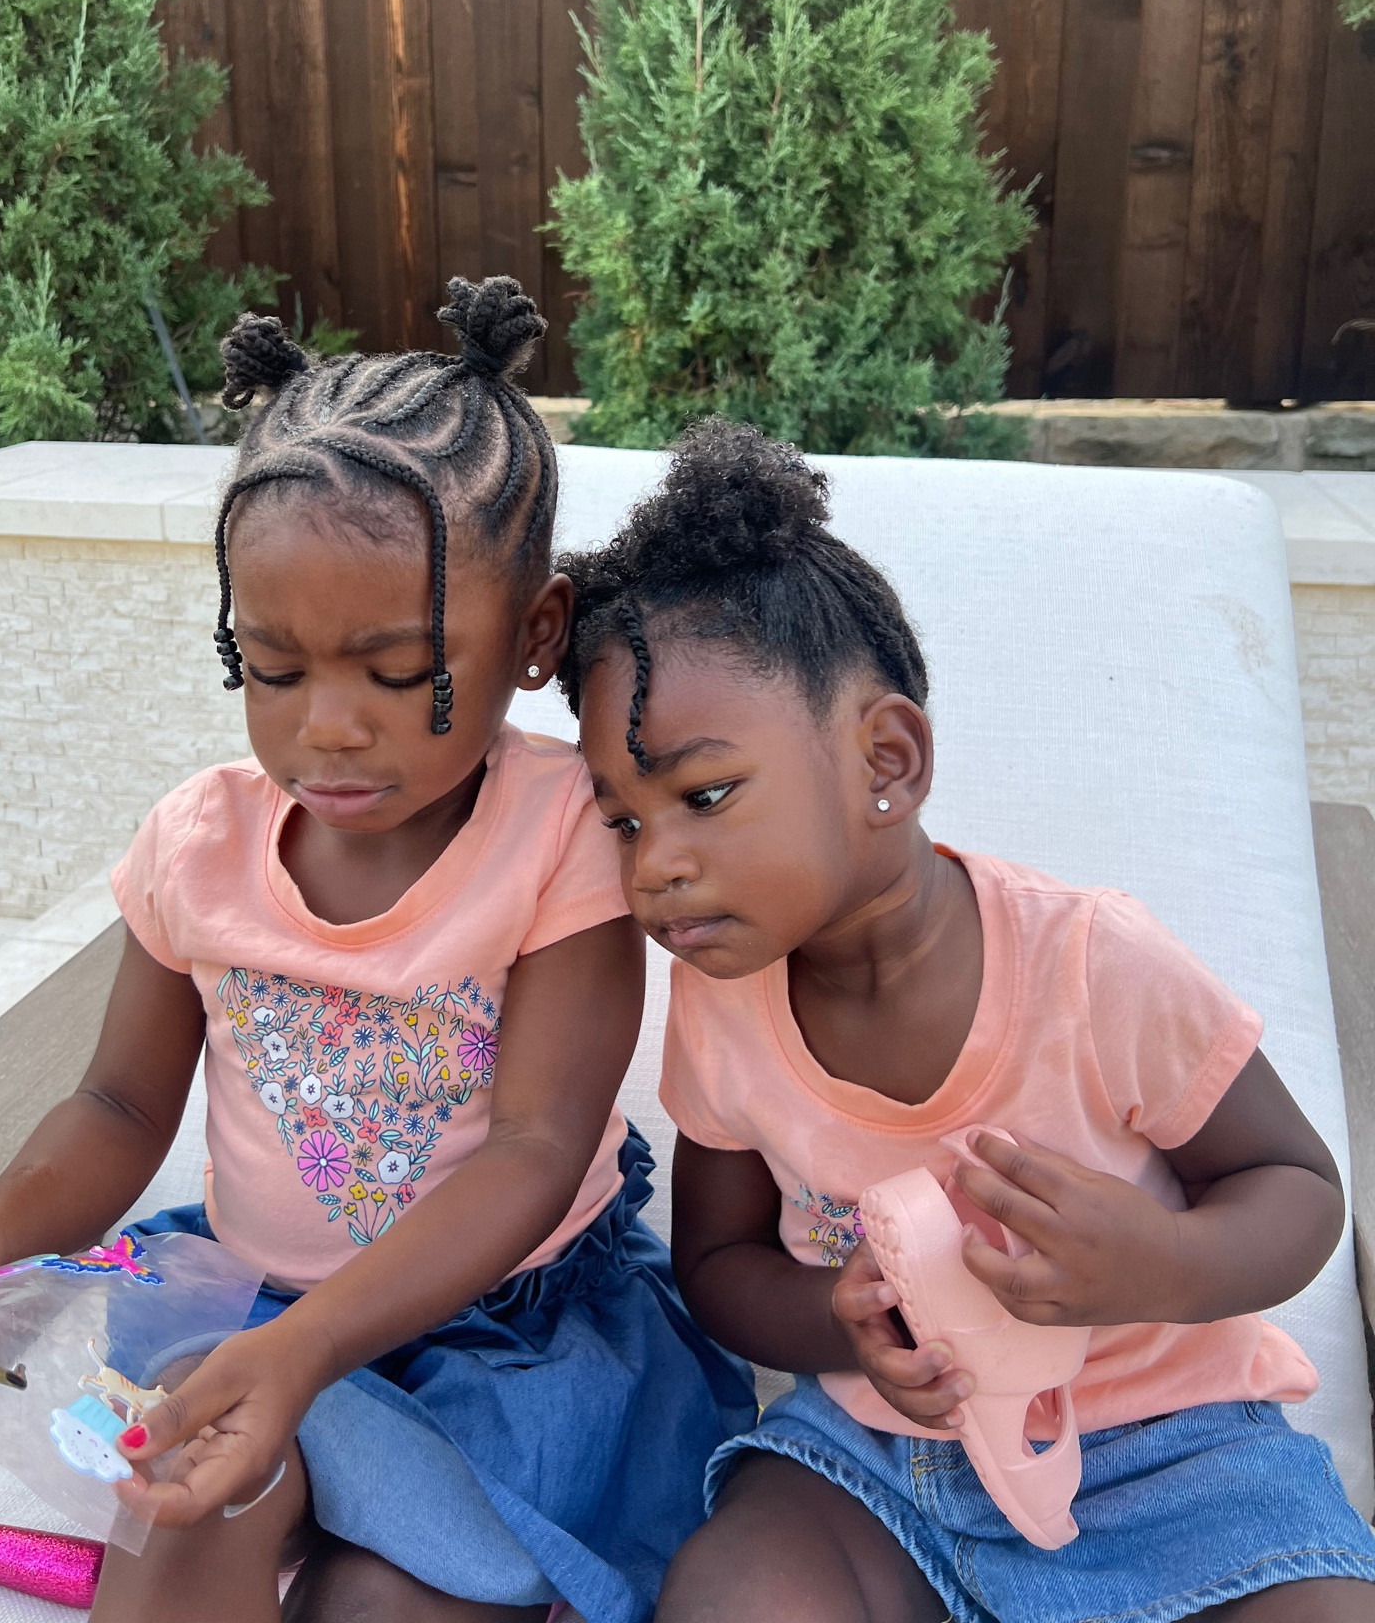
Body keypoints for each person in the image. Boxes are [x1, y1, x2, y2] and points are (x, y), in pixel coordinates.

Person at [0, 280, 753, 1623]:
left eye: (394, 673)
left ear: (536, 633)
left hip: (503, 1330)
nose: (330, 727)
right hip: (252, 1302)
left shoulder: (558, 829)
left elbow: (534, 1149)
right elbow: (119, 1103)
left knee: (386, 1602)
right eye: (271, 668)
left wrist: (315, 1352)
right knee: (190, 1511)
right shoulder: (196, 847)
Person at [558, 416, 1375, 1623]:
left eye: (705, 792)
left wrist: (1161, 1261)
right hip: (885, 1461)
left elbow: (1297, 1184)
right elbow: (718, 1265)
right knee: (733, 1590)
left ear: (885, 757)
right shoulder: (722, 999)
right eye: (622, 819)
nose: (655, 864)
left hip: (1166, 1450)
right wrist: (834, 1317)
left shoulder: (1092, 963)